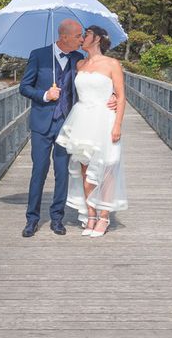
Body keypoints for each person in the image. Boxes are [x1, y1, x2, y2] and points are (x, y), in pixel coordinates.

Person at [19, 19, 115, 237]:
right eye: (78, 35)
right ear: (64, 37)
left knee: (62, 173)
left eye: (83, 35)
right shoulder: (38, 55)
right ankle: (32, 220)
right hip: (42, 124)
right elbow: (24, 87)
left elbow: (91, 84)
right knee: (39, 171)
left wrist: (114, 96)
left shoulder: (78, 59)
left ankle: (57, 219)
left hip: (68, 124)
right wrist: (44, 95)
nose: (81, 39)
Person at [56, 25, 128, 238]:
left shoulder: (112, 64)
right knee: (85, 170)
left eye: (85, 35)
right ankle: (91, 214)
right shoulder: (79, 63)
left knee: (106, 168)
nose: (82, 38)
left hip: (104, 119)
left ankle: (104, 217)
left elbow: (121, 96)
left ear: (97, 39)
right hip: (81, 119)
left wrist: (117, 125)